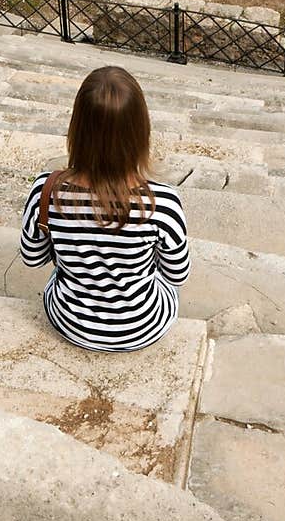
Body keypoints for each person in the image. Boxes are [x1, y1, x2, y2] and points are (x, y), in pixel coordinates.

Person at [20, 65, 190, 352]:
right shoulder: (163, 203)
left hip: (69, 322)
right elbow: (177, 275)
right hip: (143, 326)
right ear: (141, 132)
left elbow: (33, 257)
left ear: (77, 129)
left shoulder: (45, 190)